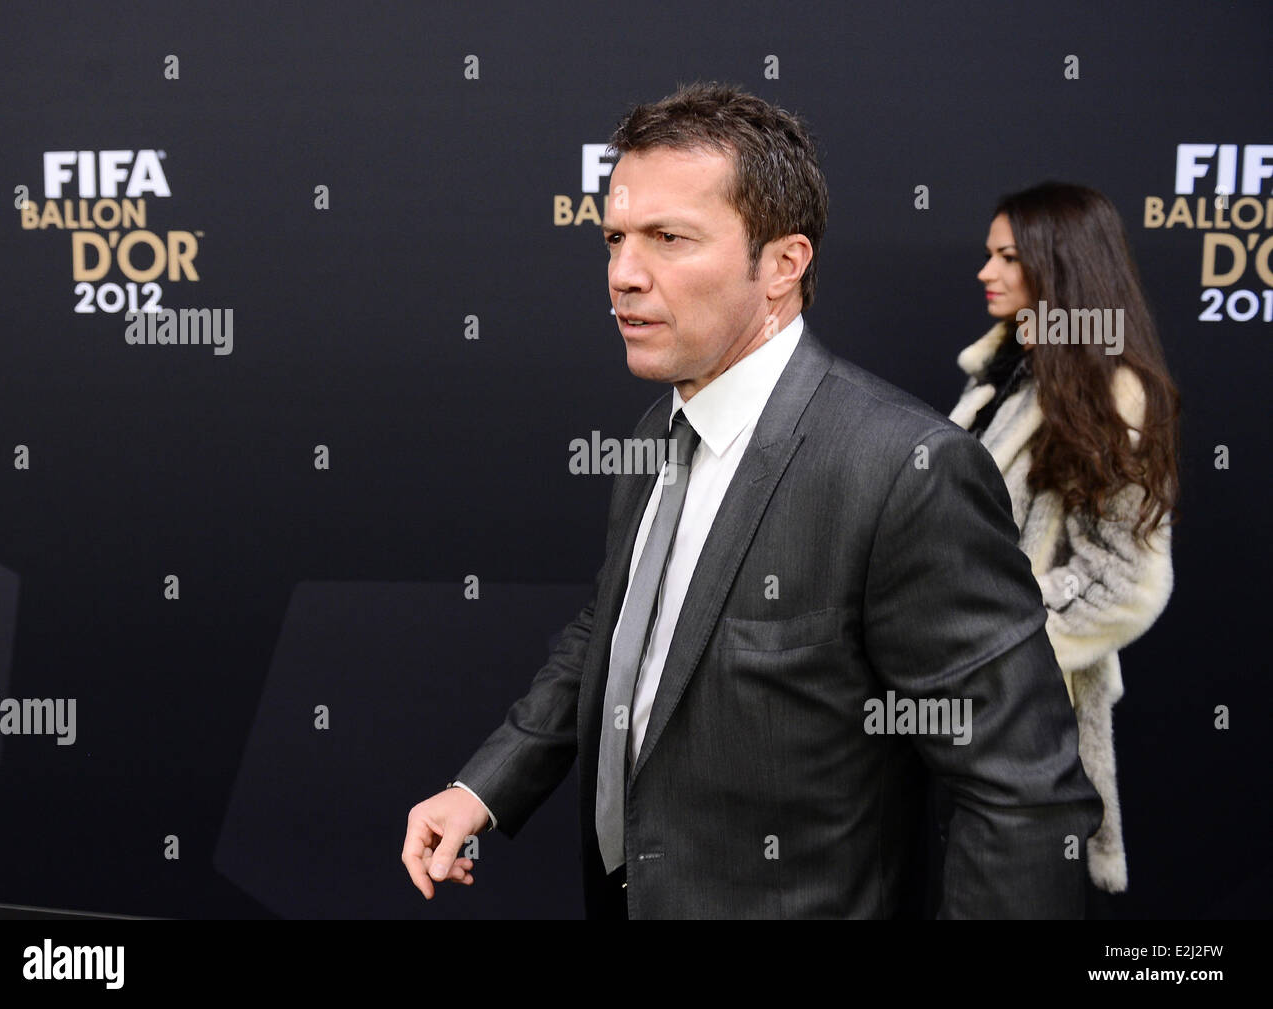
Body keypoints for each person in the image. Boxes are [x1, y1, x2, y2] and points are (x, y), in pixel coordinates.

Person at [401, 82, 1103, 919]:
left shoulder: (905, 471)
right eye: (616, 238)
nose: (624, 274)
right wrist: (485, 787)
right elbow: (620, 628)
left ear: (782, 265)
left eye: (669, 239)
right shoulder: (661, 427)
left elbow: (1027, 799)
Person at [947, 182, 1179, 901]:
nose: (986, 272)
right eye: (989, 254)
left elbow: (1128, 580)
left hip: (1034, 722)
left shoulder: (1113, 394)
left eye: (1008, 257)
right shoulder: (1008, 377)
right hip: (969, 717)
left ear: (1062, 266)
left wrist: (1006, 652)